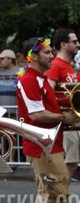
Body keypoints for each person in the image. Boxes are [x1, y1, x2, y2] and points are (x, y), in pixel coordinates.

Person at [16, 37, 77, 202]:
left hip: (48, 145)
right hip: (43, 146)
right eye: (47, 52)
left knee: (49, 194)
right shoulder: (29, 80)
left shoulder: (39, 79)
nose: (52, 56)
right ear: (33, 57)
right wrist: (64, 117)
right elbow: (36, 114)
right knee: (57, 193)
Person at [45, 29, 80, 183]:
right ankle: (58, 196)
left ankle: (60, 196)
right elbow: (47, 93)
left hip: (72, 123)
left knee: (71, 163)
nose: (78, 44)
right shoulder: (56, 65)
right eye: (74, 42)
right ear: (63, 44)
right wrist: (61, 116)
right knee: (68, 164)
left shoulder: (69, 66)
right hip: (65, 124)